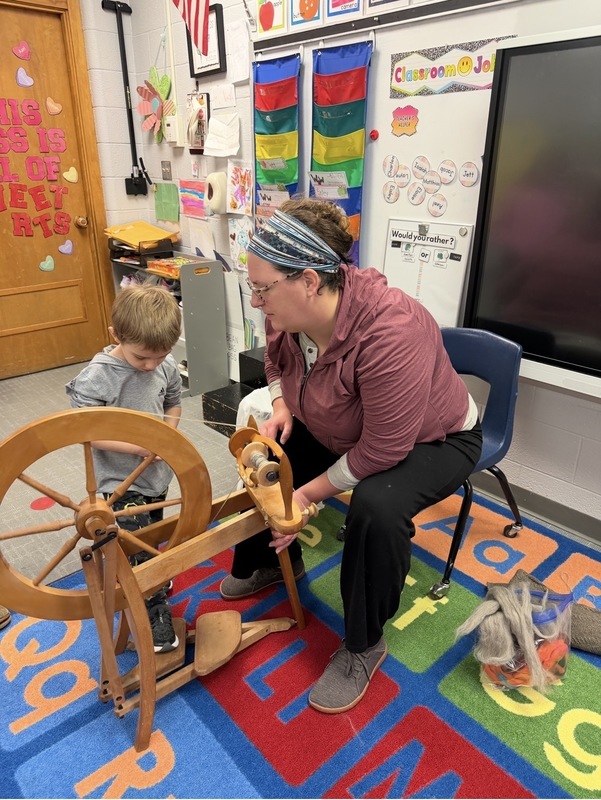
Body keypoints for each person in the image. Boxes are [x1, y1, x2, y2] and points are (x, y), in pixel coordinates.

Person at [220, 199, 483, 713]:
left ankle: (364, 643)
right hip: (342, 423)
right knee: (265, 457)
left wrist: (308, 494)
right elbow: (275, 362)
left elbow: (385, 447)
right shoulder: (286, 312)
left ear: (311, 281)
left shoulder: (392, 329)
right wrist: (280, 407)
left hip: (434, 438)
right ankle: (274, 565)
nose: (255, 302)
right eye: (250, 287)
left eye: (261, 287)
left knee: (376, 509)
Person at [66, 284, 183, 653]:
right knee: (137, 545)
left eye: (160, 356)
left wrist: (169, 432)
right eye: (141, 359)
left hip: (156, 476)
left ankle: (151, 579)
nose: (151, 366)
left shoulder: (162, 363)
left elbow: (174, 402)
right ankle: (153, 611)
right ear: (116, 336)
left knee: (153, 532)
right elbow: (87, 430)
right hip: (120, 481)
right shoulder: (98, 375)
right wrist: (138, 445)